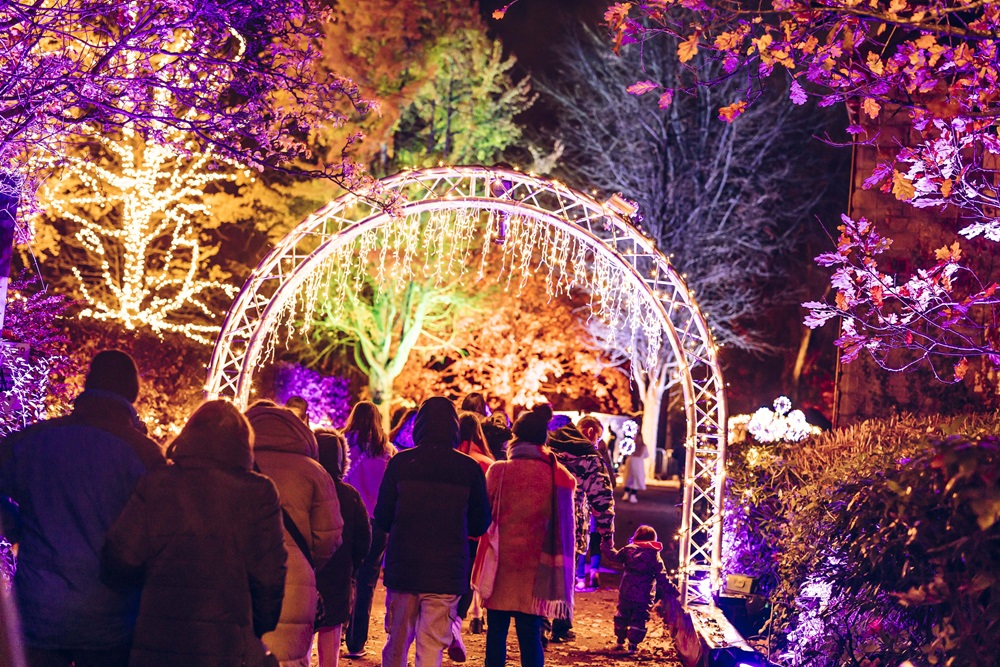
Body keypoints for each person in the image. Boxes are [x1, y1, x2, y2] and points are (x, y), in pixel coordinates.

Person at [0, 350, 164, 667]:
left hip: (38, 609)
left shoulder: (37, 440)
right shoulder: (145, 455)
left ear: (88, 385)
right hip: (112, 614)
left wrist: (15, 525)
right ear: (132, 392)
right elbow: (158, 530)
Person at [101, 400, 288, 666]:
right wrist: (256, 626)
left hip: (158, 640)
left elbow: (119, 559)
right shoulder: (258, 491)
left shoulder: (158, 483)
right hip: (224, 644)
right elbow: (269, 574)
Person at [375, 397, 491, 667]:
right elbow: (479, 523)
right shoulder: (469, 468)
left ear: (419, 426)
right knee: (431, 647)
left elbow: (382, 517)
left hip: (404, 566)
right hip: (446, 570)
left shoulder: (401, 463)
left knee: (397, 643)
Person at [247, 401, 343, 667]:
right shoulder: (314, 472)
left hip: (241, 579)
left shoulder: (236, 466)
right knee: (290, 658)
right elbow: (330, 536)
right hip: (295, 581)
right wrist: (307, 561)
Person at [481, 404, 577, 667]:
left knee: (496, 633)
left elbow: (484, 515)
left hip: (500, 566)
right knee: (530, 635)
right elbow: (567, 527)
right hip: (537, 571)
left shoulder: (498, 471)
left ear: (515, 437)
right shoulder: (559, 476)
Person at [545, 414, 615, 642]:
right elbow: (602, 498)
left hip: (540, 524)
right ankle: (561, 625)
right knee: (567, 576)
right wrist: (606, 535)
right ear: (590, 432)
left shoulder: (543, 451)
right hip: (571, 528)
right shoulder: (588, 456)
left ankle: (539, 624)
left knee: (541, 576)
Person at [342, 401, 396, 659]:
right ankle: (356, 641)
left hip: (346, 519)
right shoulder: (387, 452)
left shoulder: (343, 445)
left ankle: (337, 626)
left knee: (343, 576)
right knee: (366, 583)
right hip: (375, 521)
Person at [315, 430, 373, 667]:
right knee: (331, 632)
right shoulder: (349, 496)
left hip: (306, 573)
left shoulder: (301, 488)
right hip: (337, 574)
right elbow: (364, 539)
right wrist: (352, 565)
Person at [601, 525, 677, 654]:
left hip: (627, 590)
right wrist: (673, 590)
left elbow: (613, 556)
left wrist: (606, 545)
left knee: (623, 613)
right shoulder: (654, 556)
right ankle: (633, 645)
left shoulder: (628, 551)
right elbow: (662, 577)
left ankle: (620, 640)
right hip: (644, 594)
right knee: (639, 618)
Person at [455, 413, 495, 640]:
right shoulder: (485, 463)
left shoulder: (448, 459)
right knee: (469, 578)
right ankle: (463, 618)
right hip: (474, 532)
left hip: (449, 530)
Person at [621, 416, 648, 504]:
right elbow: (646, 456)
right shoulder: (643, 447)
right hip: (639, 463)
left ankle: (626, 494)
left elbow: (626, 453)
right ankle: (633, 496)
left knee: (628, 478)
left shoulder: (631, 445)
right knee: (636, 479)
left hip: (630, 461)